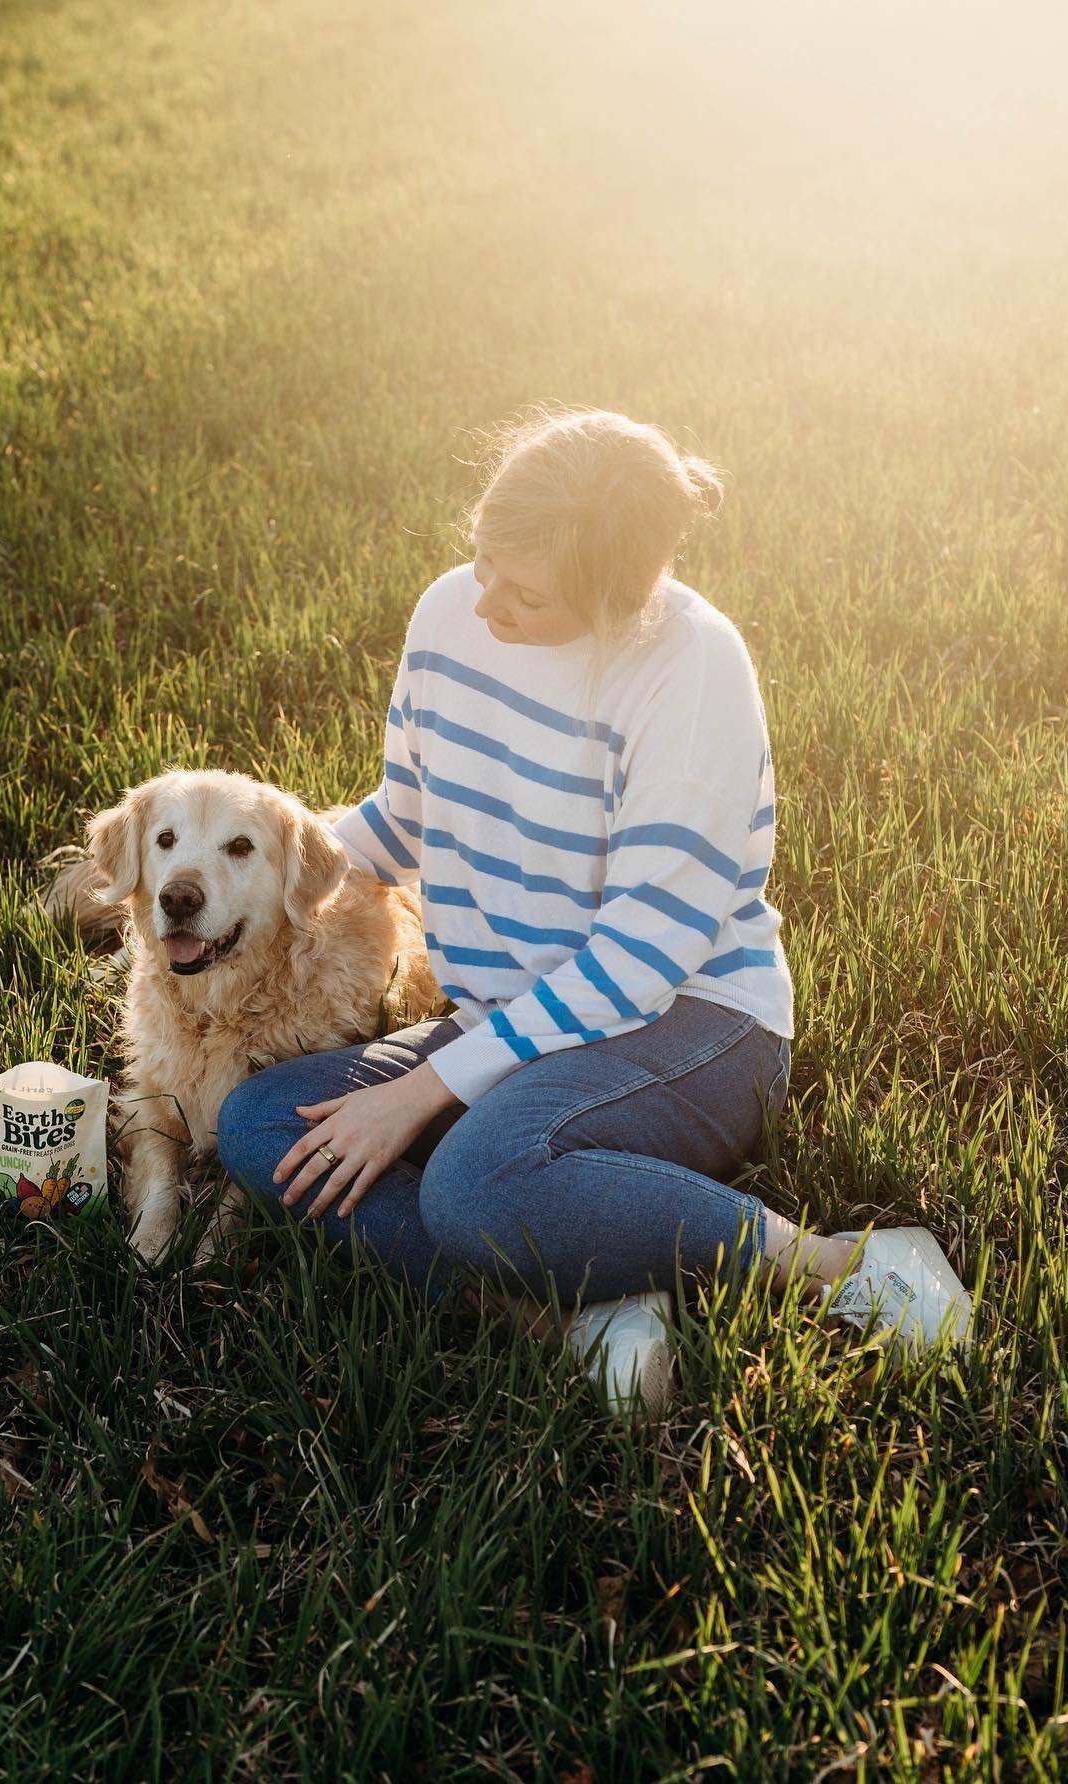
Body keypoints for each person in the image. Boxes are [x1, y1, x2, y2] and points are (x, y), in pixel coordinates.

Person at [217, 406, 973, 1416]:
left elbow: (639, 961)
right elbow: (405, 819)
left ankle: (837, 1264)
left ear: (622, 601)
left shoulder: (692, 670)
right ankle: (576, 1317)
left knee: (474, 1187)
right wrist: (254, 864)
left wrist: (425, 1089)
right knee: (263, 1121)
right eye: (481, 560)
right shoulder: (451, 615)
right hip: (516, 1028)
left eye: (523, 592)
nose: (483, 603)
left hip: (694, 1026)